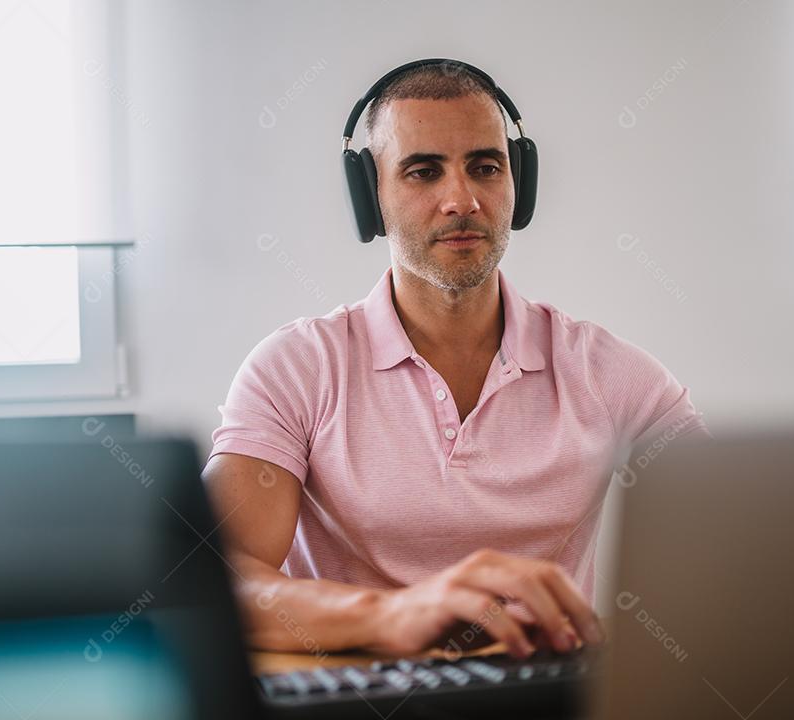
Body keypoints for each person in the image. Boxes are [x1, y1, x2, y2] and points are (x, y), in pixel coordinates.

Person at [203, 60, 708, 660]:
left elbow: (730, 551)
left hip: (540, 698)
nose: (461, 200)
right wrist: (390, 615)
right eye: (422, 172)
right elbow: (210, 579)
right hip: (363, 698)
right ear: (372, 197)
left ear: (519, 185)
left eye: (485, 167)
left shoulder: (612, 375)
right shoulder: (295, 369)